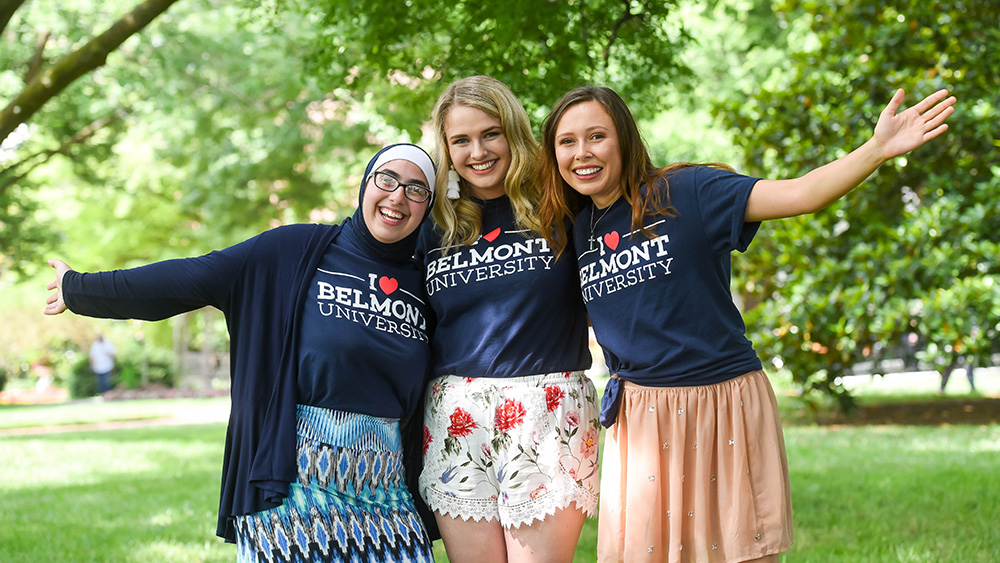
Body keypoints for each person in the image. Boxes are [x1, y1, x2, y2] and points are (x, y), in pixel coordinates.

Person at [537, 85, 955, 562]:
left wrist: (876, 149)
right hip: (642, 418)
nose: (582, 153)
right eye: (567, 142)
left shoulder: (688, 191)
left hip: (724, 401)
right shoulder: (575, 227)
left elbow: (801, 193)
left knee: (742, 553)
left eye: (596, 136)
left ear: (625, 139)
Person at [45, 144, 440, 563]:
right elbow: (189, 278)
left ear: (428, 206)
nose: (398, 196)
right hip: (291, 484)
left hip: (386, 490)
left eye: (417, 189)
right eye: (387, 180)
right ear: (365, 185)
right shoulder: (294, 251)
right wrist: (80, 288)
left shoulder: (426, 283)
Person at [416, 75, 600, 563]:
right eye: (461, 140)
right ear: (447, 148)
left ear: (513, 132)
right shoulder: (434, 222)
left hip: (547, 409)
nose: (477, 150)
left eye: (490, 133)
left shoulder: (561, 202)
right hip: (456, 417)